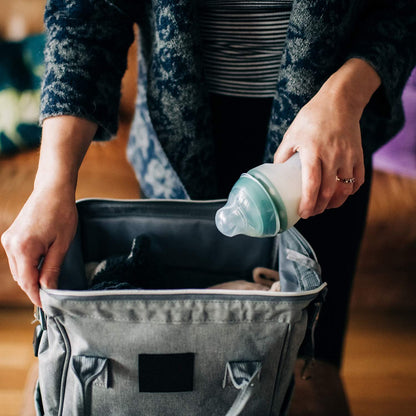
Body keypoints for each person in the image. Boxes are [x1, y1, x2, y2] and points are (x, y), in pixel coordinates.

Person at [1, 0, 415, 414]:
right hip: (178, 138)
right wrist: (52, 183)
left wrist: (345, 95)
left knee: (308, 363)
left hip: (326, 148)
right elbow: (87, 15)